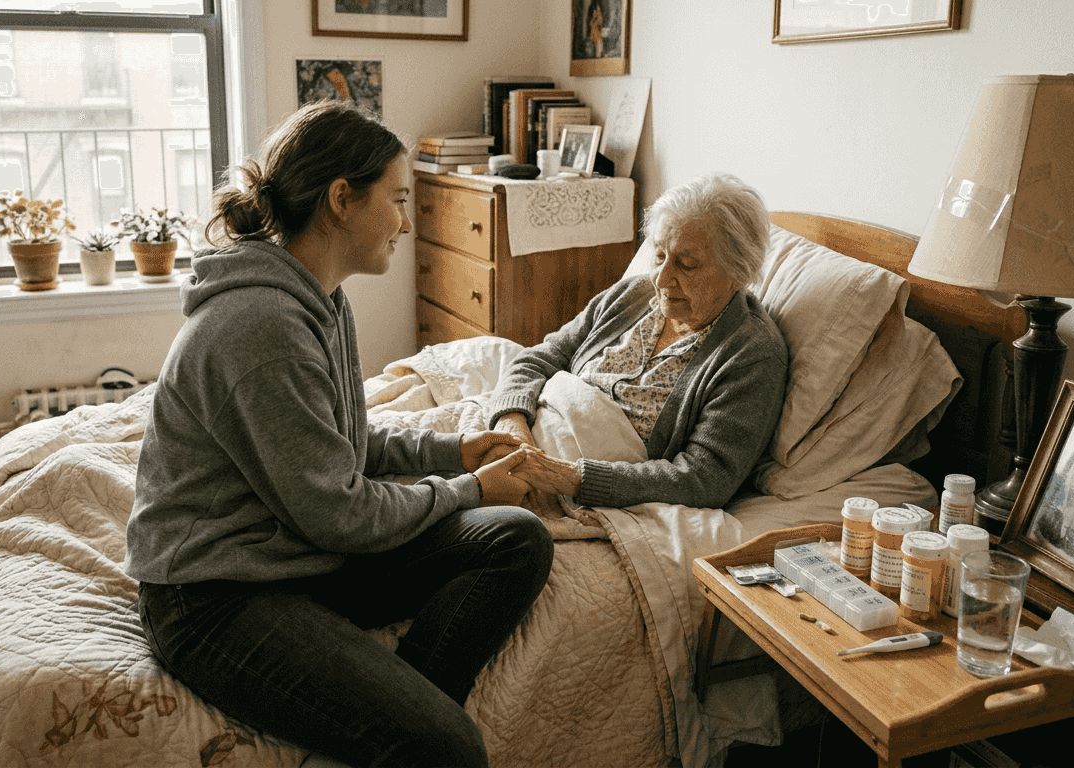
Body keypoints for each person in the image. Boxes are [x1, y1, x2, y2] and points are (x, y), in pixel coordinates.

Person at [124, 100, 554, 768]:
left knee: (515, 539)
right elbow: (340, 513)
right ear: (341, 199)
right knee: (450, 749)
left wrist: (451, 450)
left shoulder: (320, 297)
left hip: (294, 551)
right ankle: (412, 730)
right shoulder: (261, 324)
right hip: (215, 592)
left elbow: (341, 446)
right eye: (398, 200)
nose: (406, 222)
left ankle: (393, 715)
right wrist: (468, 489)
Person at [486, 173, 789, 512]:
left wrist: (566, 478)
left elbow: (703, 478)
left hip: (574, 487)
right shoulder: (632, 295)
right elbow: (539, 358)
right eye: (659, 256)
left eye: (687, 264)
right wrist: (511, 426)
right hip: (522, 444)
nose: (662, 278)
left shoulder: (751, 356)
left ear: (739, 271)